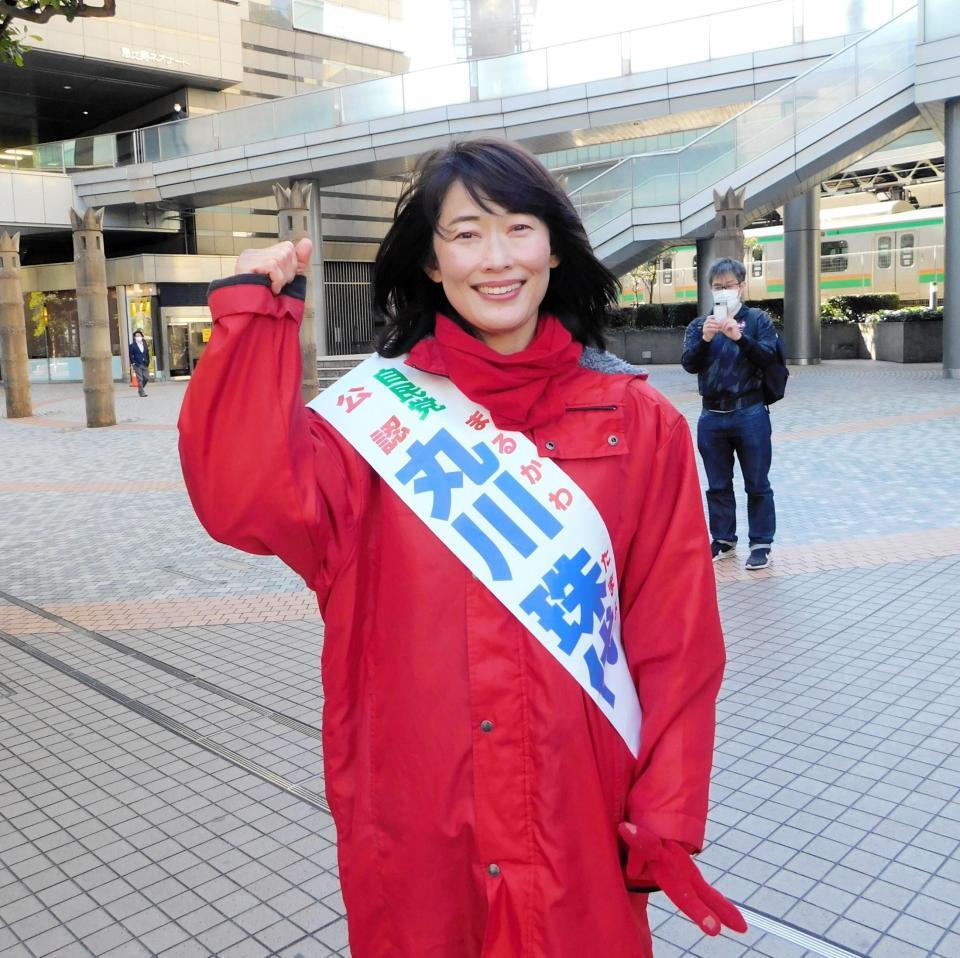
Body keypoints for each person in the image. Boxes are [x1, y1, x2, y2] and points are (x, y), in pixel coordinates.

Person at [179, 139, 745, 957]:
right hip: (417, 829)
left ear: (554, 245)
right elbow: (245, 498)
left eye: (519, 228)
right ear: (432, 262)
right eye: (467, 233)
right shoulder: (371, 429)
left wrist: (665, 817)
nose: (497, 258)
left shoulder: (638, 423)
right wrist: (255, 320)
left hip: (577, 826)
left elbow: (677, 642)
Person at [681, 258, 778, 571]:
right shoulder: (700, 325)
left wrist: (740, 337)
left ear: (742, 287)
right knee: (717, 484)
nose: (723, 292)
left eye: (729, 286)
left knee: (756, 482)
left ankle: (761, 543)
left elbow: (767, 357)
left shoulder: (758, 319)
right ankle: (723, 539)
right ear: (710, 289)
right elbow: (689, 363)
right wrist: (706, 339)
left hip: (749, 411)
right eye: (718, 287)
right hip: (711, 416)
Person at [128, 329, 150, 396]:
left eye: (139, 335)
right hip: (137, 364)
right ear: (134, 337)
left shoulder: (145, 344)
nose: (138, 336)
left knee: (146, 378)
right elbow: (130, 355)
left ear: (142, 336)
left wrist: (148, 361)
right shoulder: (132, 345)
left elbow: (147, 353)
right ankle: (142, 393)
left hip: (145, 363)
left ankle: (140, 390)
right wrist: (133, 363)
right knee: (140, 378)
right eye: (136, 336)